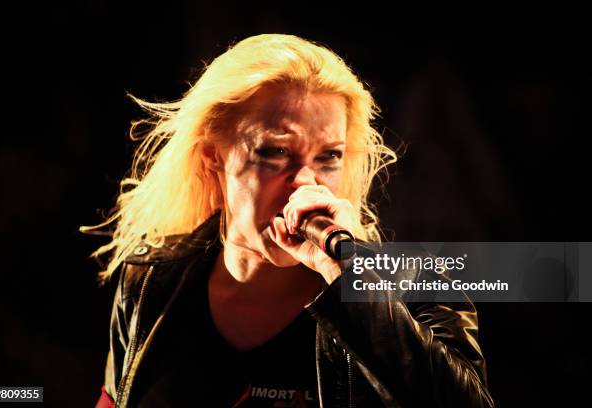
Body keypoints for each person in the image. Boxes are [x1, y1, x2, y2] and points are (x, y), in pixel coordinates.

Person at [84, 34, 494, 407]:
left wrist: (352, 282)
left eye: (328, 156)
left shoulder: (416, 284)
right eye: (275, 153)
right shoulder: (152, 280)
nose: (305, 182)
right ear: (214, 156)